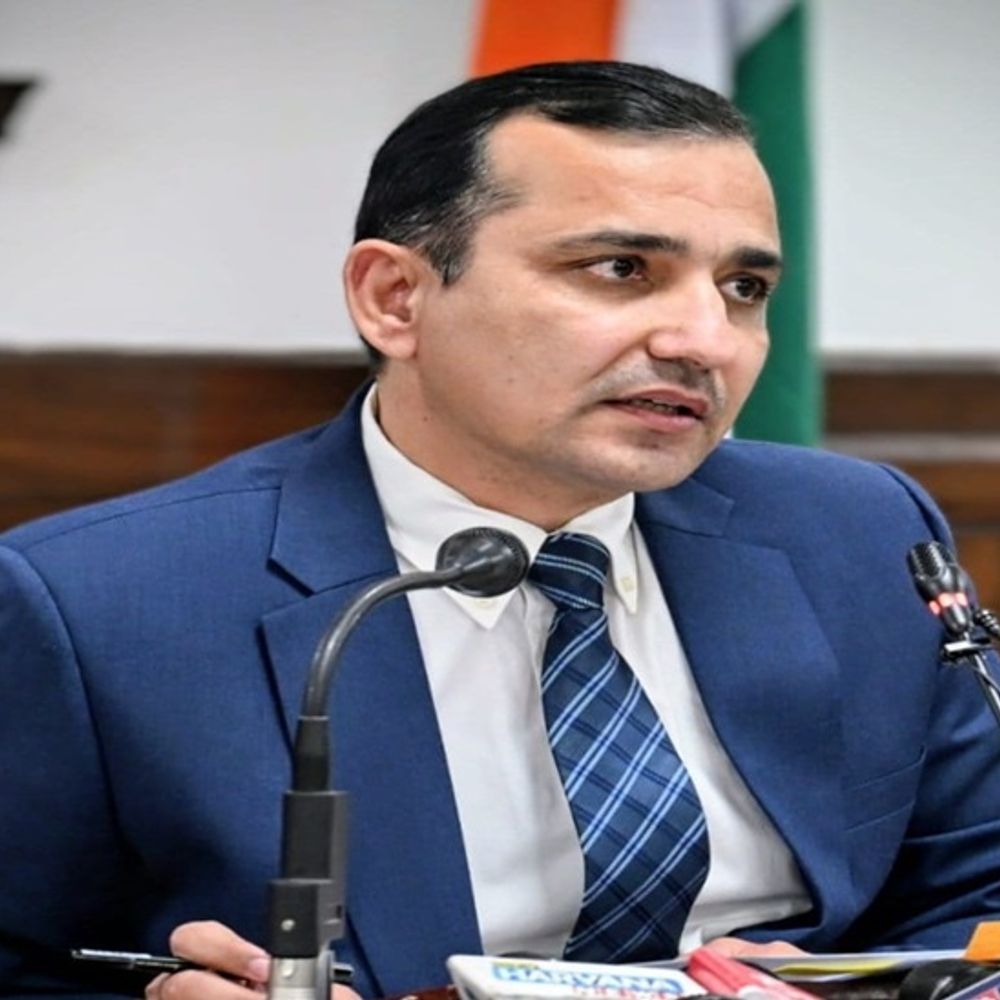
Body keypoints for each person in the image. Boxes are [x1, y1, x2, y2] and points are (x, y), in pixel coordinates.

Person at [1, 60, 999, 1000]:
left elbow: (977, 883)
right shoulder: (97, 604)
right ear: (395, 298)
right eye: (620, 268)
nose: (705, 340)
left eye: (744, 288)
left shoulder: (853, 530)